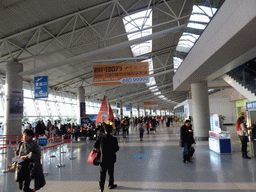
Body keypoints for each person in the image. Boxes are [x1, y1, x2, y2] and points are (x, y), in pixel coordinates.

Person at [94, 125, 119, 192]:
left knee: (102, 174)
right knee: (111, 173)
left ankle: (101, 188)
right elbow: (116, 149)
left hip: (102, 159)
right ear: (111, 131)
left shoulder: (100, 137)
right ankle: (111, 185)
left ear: (105, 130)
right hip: (111, 159)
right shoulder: (114, 139)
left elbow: (95, 145)